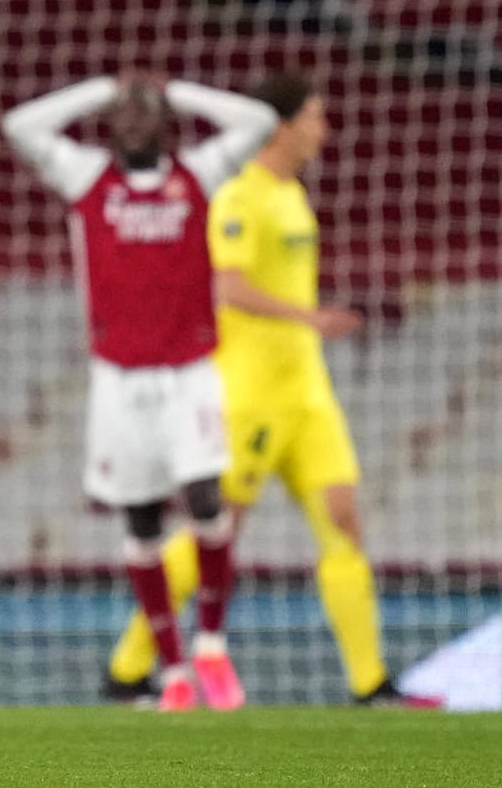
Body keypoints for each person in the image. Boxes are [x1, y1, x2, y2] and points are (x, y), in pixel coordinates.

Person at [104, 72, 440, 707]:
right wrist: (311, 317)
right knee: (215, 534)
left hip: (306, 395)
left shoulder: (292, 195)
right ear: (281, 126)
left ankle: (372, 686)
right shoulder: (239, 196)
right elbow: (224, 286)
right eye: (315, 116)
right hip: (247, 393)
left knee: (344, 522)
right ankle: (126, 670)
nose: (324, 129)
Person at [3, 72, 277, 711]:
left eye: (143, 111)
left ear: (165, 124)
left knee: (209, 500)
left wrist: (174, 89)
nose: (129, 119)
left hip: (189, 374)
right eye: (120, 113)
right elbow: (18, 127)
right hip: (117, 381)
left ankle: (212, 645)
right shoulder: (88, 177)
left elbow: (259, 120)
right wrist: (102, 87)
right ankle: (173, 668)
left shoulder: (199, 174)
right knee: (142, 520)